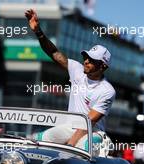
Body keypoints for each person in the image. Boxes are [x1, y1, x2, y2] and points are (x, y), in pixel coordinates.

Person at [25, 9, 115, 153]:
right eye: (86, 57)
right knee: (35, 142)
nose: (86, 61)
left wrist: (70, 145)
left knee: (82, 149)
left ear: (103, 66)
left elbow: (89, 122)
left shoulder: (107, 90)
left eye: (92, 60)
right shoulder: (77, 70)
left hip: (93, 132)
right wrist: (38, 32)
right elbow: (54, 53)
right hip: (69, 127)